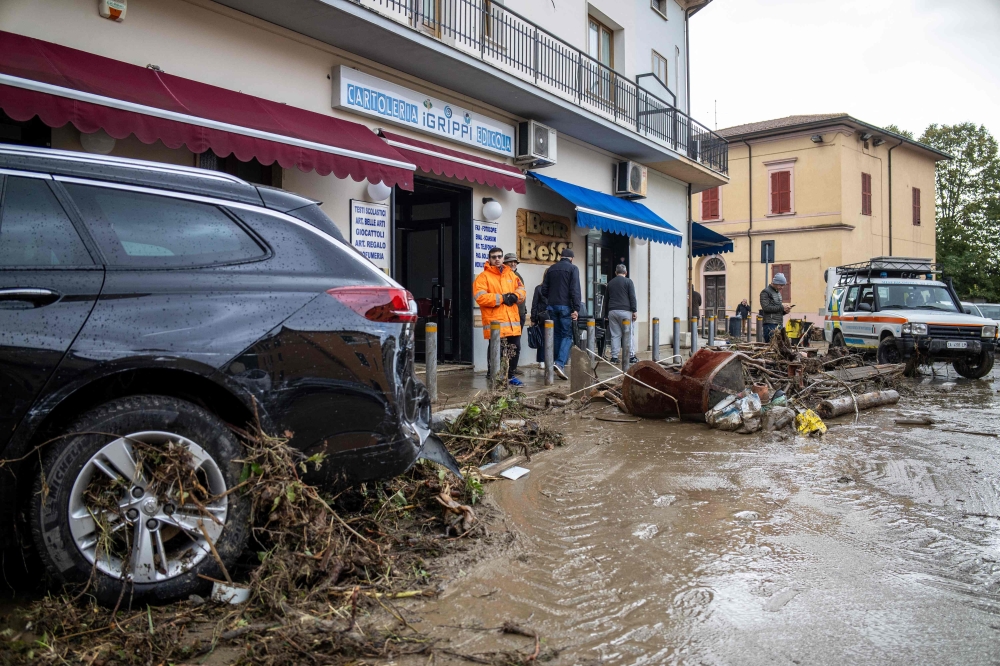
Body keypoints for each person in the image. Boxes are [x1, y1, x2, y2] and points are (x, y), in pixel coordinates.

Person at [474, 247, 526, 386]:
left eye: (499, 256)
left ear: (503, 258)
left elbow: (522, 290)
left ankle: (510, 376)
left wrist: (515, 296)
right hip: (495, 322)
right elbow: (481, 297)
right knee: (496, 350)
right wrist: (502, 298)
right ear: (489, 259)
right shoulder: (483, 277)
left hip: (512, 322)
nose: (497, 259)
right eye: (494, 257)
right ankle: (495, 376)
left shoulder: (511, 275)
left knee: (515, 349)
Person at [540, 247, 582, 380]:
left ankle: (556, 362)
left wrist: (550, 300)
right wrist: (576, 308)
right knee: (567, 335)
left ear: (561, 257)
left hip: (552, 306)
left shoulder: (551, 269)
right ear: (572, 258)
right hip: (566, 307)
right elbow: (575, 289)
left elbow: (544, 289)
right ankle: (559, 363)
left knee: (556, 335)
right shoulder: (573, 268)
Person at [603, 264, 638, 365]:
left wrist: (606, 314)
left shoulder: (610, 283)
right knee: (629, 334)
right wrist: (634, 311)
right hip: (625, 312)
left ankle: (614, 357)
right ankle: (631, 356)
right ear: (625, 273)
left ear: (615, 273)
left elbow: (606, 300)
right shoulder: (628, 281)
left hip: (612, 312)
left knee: (615, 335)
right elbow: (632, 297)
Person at [503, 253, 527, 377]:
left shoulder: (517, 276)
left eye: (515, 262)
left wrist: (525, 310)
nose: (513, 264)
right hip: (509, 315)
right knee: (508, 343)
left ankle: (512, 368)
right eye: (510, 262)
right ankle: (507, 369)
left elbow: (522, 294)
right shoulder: (505, 276)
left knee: (515, 344)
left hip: (520, 314)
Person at [760, 273, 791, 343]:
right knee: (771, 347)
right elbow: (766, 308)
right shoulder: (765, 292)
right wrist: (782, 307)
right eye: (781, 285)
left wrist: (784, 311)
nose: (782, 287)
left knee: (780, 346)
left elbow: (777, 310)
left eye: (783, 285)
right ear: (775, 283)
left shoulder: (778, 293)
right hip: (770, 324)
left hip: (778, 323)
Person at [529, 268, 549, 370]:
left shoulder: (557, 289)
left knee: (552, 339)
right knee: (542, 340)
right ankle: (541, 361)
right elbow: (534, 304)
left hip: (553, 317)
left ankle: (550, 360)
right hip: (542, 318)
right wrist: (533, 319)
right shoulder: (539, 288)